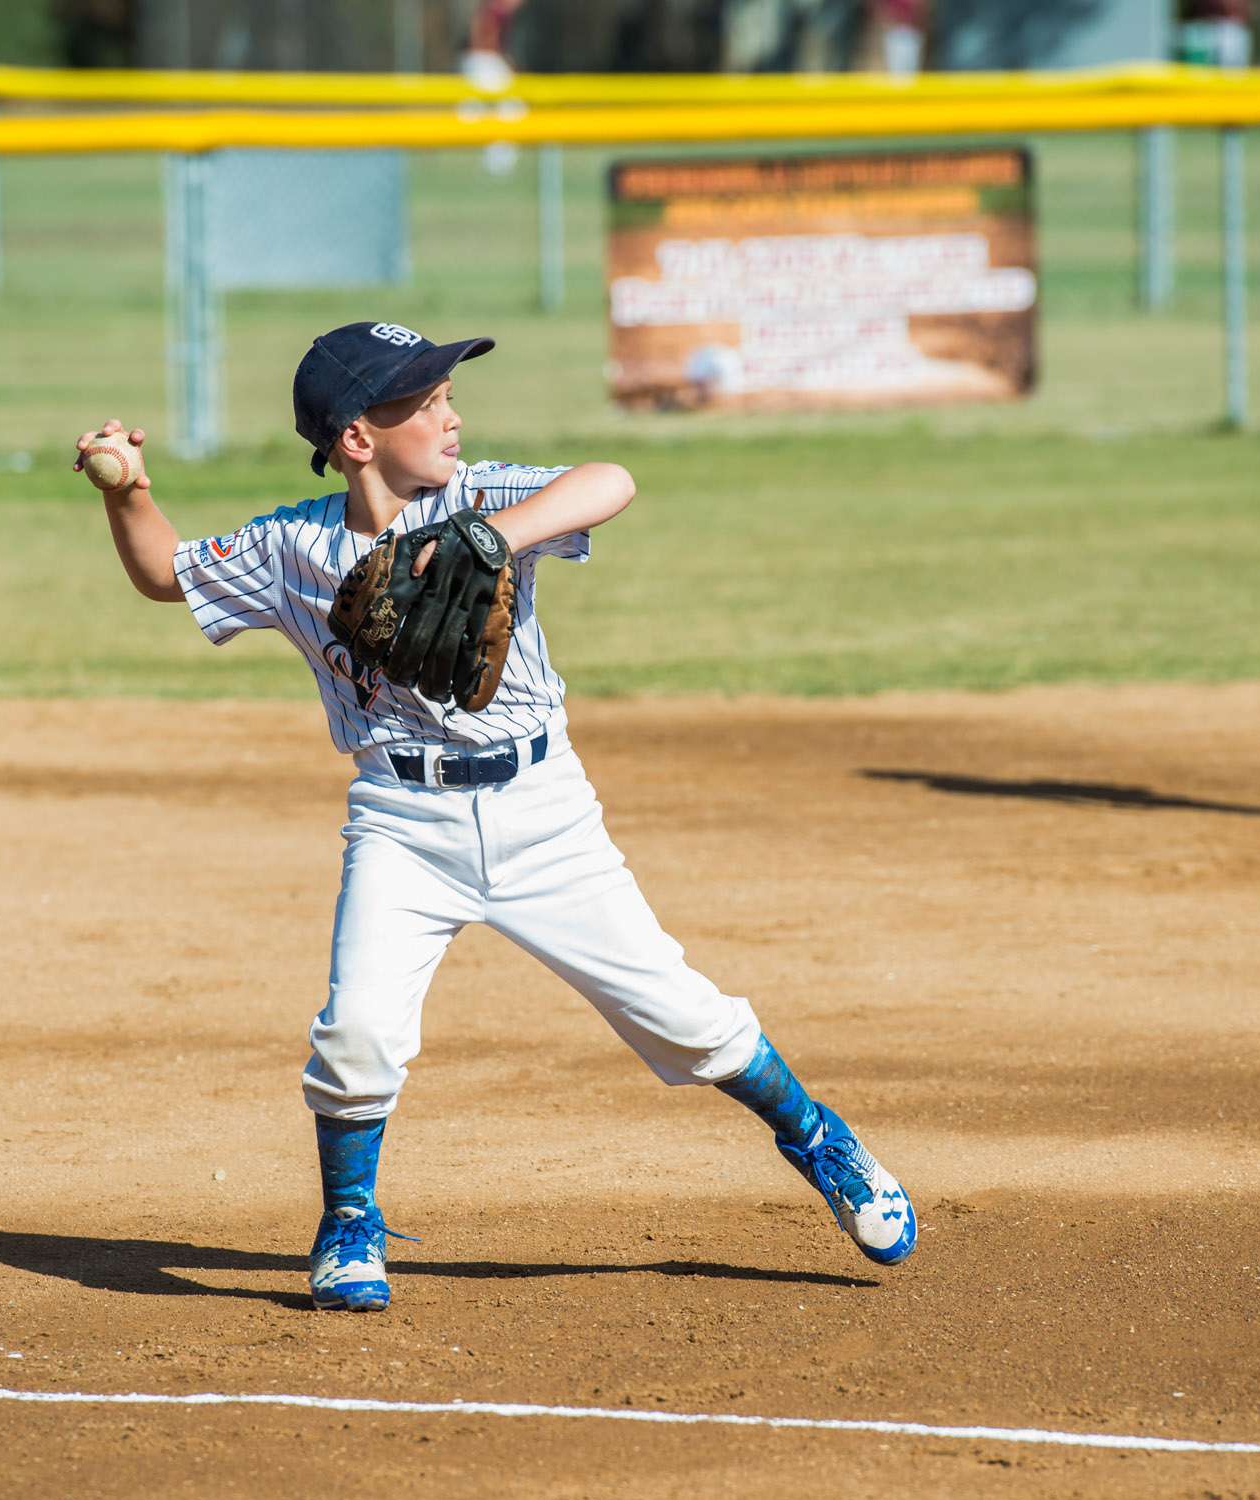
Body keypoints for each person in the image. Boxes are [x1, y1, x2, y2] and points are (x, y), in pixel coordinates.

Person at [74, 322, 918, 1312]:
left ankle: (821, 1140)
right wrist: (128, 489)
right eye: (423, 402)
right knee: (357, 1034)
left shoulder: (481, 497)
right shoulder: (294, 547)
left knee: (691, 1025)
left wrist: (488, 538)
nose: (450, 414)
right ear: (357, 438)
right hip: (401, 819)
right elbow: (168, 574)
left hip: (542, 813)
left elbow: (611, 478)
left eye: (446, 395)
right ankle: (349, 1222)